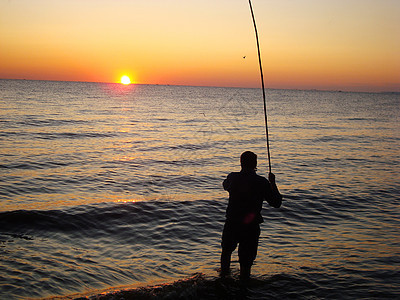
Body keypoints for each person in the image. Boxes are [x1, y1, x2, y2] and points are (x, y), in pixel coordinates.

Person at [220, 151, 282, 279]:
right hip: (251, 226)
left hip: (232, 223)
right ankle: (244, 288)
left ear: (241, 162)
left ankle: (223, 279)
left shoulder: (233, 177)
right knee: (246, 263)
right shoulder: (261, 182)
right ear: (255, 164)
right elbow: (276, 203)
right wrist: (273, 183)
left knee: (226, 253)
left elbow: (225, 185)